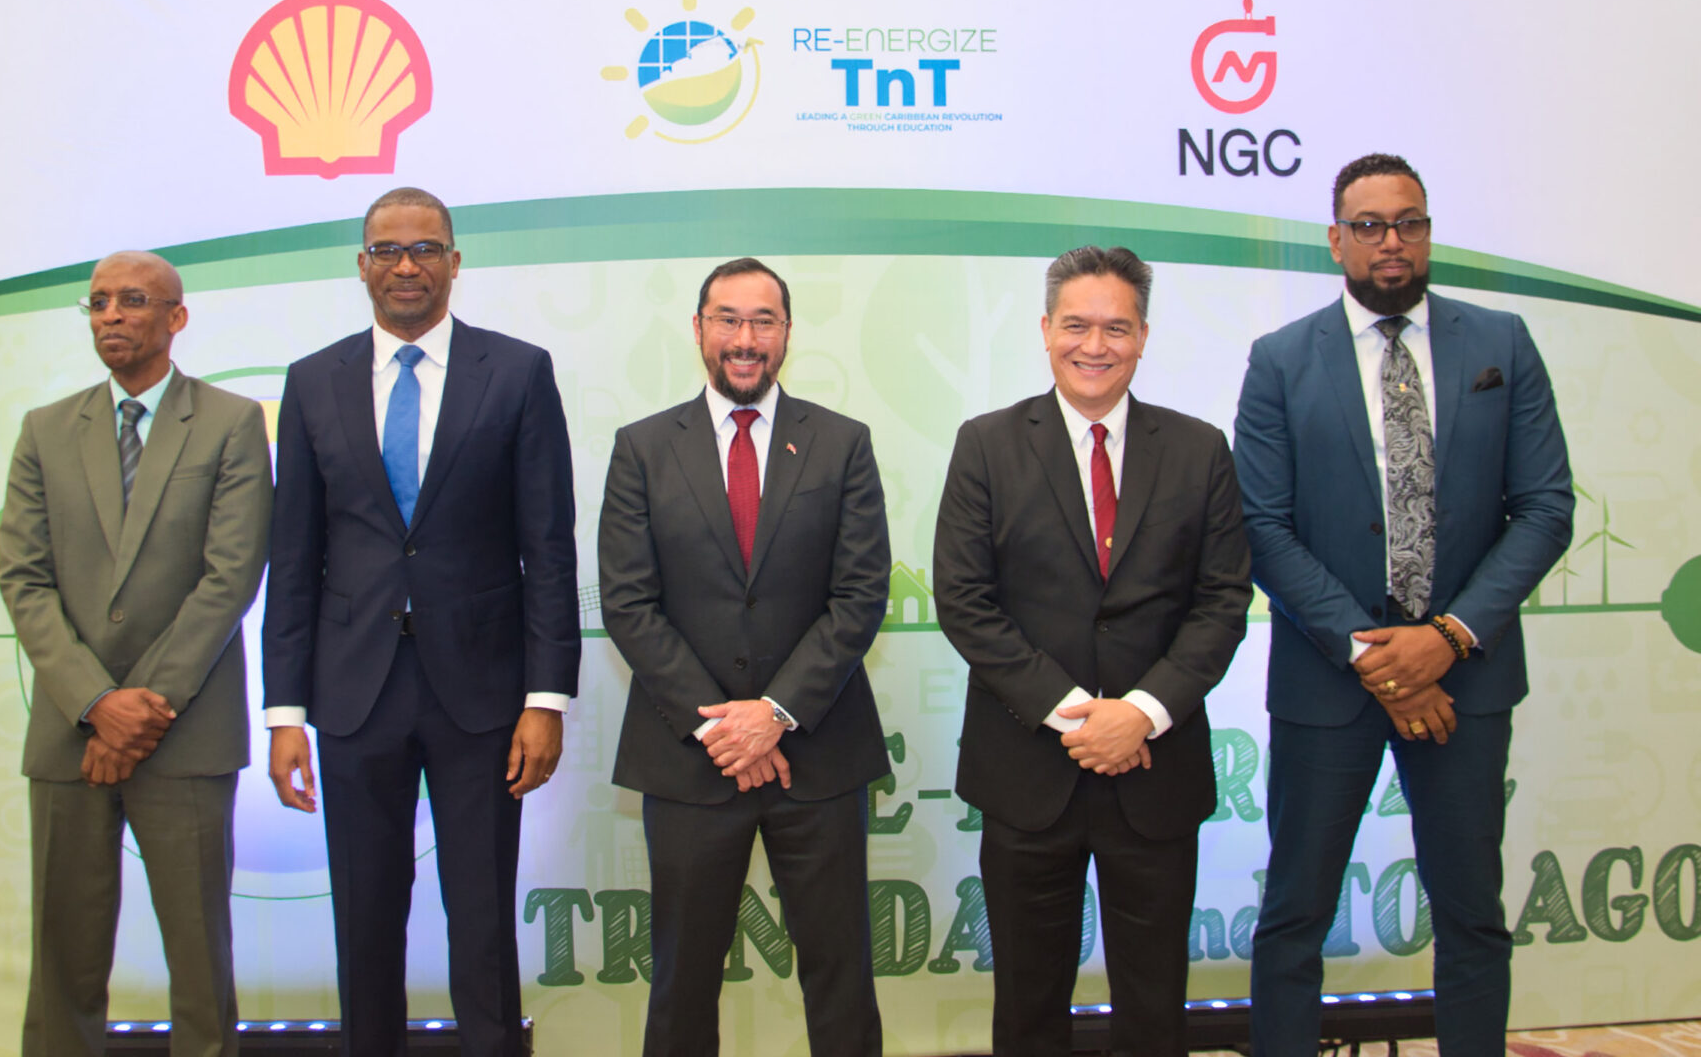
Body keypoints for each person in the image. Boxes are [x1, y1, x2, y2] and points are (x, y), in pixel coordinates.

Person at [1237, 153, 1573, 1054]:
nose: (1392, 241)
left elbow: (1546, 509)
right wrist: (1378, 655)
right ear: (1336, 238)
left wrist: (1447, 638)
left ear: (1427, 231)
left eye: (1409, 222)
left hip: (1467, 682)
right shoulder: (1280, 360)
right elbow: (1262, 527)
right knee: (1294, 917)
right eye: (1371, 225)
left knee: (1472, 916)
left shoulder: (1501, 343)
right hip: (1327, 683)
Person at [261, 188, 580, 1057]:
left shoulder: (517, 372)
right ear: (362, 265)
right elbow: (293, 558)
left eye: (425, 249)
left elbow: (548, 549)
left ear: (454, 262)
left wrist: (545, 699)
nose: (407, 266)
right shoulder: (312, 381)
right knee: (365, 919)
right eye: (388, 250)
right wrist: (284, 714)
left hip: (483, 696)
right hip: (353, 693)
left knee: (481, 919)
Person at [933, 245, 1251, 1055]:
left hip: (1156, 772)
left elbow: (1221, 603)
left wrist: (1139, 714)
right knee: (1028, 1005)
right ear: (1045, 330)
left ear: (1143, 336)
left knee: (1154, 1005)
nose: (1095, 345)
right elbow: (965, 603)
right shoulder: (987, 445)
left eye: (1116, 327)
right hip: (1027, 771)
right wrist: (1080, 716)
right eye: (1076, 325)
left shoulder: (1199, 450)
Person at [598, 257, 891, 1057]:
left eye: (764, 320)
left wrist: (775, 714)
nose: (745, 338)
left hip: (818, 758)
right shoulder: (642, 448)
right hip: (691, 762)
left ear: (787, 333)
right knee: (682, 983)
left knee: (841, 978)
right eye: (727, 319)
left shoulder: (842, 443)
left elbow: (860, 595)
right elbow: (628, 603)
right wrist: (726, 729)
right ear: (698, 329)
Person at [0, 250, 273, 1056]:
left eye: (131, 301)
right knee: (63, 961)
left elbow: (230, 576)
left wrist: (141, 710)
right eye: (98, 303)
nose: (111, 315)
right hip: (70, 734)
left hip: (184, 731)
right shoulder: (46, 430)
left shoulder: (230, 423)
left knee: (199, 961)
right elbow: (23, 578)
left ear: (176, 317)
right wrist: (96, 703)